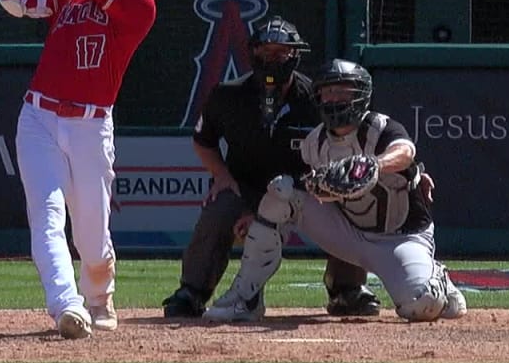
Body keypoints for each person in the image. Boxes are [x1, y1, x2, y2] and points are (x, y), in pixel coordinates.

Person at [0, 0, 168, 338]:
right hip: (39, 117)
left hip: (90, 125)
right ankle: (66, 304)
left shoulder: (140, 4)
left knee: (91, 233)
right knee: (46, 216)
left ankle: (100, 297)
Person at [203, 59, 467, 324]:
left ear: (361, 95)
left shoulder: (378, 128)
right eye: (328, 92)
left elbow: (405, 152)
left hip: (400, 239)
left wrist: (375, 164)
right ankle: (245, 299)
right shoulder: (314, 142)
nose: (334, 98)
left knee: (422, 306)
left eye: (343, 91)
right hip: (347, 232)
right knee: (281, 190)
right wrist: (261, 217)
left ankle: (438, 280)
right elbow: (298, 185)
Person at [161, 17, 380, 320]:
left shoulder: (315, 99)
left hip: (308, 191)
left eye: (281, 53)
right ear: (253, 52)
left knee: (349, 202)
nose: (272, 59)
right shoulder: (227, 95)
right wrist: (222, 176)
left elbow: (347, 142)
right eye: (266, 51)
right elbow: (203, 140)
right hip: (246, 188)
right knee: (219, 206)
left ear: (295, 56)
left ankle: (346, 288)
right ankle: (193, 291)